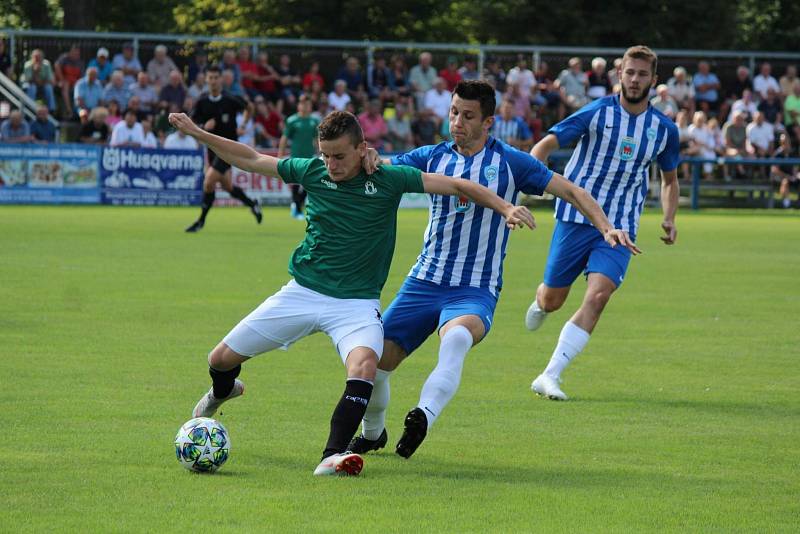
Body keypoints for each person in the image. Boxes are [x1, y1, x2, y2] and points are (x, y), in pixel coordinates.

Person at [168, 108, 535, 476]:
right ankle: (222, 392)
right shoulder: (311, 170)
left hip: (356, 305)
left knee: (365, 367)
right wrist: (198, 132)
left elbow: (458, 185)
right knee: (220, 360)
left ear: (362, 148)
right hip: (302, 292)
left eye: (339, 155)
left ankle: (333, 454)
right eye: (325, 154)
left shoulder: (389, 178)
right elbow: (248, 158)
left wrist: (505, 207)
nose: (330, 164)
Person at [351, 80, 636, 458]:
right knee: (375, 363)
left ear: (488, 122)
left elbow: (572, 191)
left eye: (468, 116)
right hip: (424, 281)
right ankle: (373, 434)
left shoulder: (510, 161)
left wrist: (606, 227)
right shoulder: (431, 156)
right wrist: (371, 159)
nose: (457, 122)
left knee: (455, 340)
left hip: (475, 288)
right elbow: (384, 169)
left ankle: (423, 415)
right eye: (454, 112)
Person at [523, 45, 680, 401]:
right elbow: (545, 145)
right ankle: (540, 301)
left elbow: (669, 179)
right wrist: (534, 179)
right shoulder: (596, 112)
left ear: (654, 81)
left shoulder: (664, 129)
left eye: (643, 74)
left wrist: (669, 218)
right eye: (630, 72)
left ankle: (550, 374)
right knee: (553, 301)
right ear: (619, 75)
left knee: (599, 295)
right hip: (574, 217)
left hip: (621, 226)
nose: (635, 79)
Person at [184, 66, 261, 233]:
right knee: (226, 186)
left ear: (221, 79)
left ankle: (200, 221)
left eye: (215, 77)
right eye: (210, 77)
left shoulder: (230, 99)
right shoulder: (202, 101)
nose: (213, 81)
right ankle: (252, 203)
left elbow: (249, 107)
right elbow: (191, 123)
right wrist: (204, 126)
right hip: (212, 149)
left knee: (209, 181)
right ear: (206, 80)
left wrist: (243, 124)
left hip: (229, 148)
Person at [277, 94, 319, 220]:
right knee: (295, 183)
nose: (304, 106)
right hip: (296, 157)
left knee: (308, 184)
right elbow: (284, 138)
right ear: (298, 105)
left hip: (309, 157)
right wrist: (280, 154)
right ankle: (297, 209)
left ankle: (296, 205)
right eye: (302, 103)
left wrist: (320, 153)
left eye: (307, 103)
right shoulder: (292, 120)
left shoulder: (314, 121)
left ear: (310, 106)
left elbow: (317, 139)